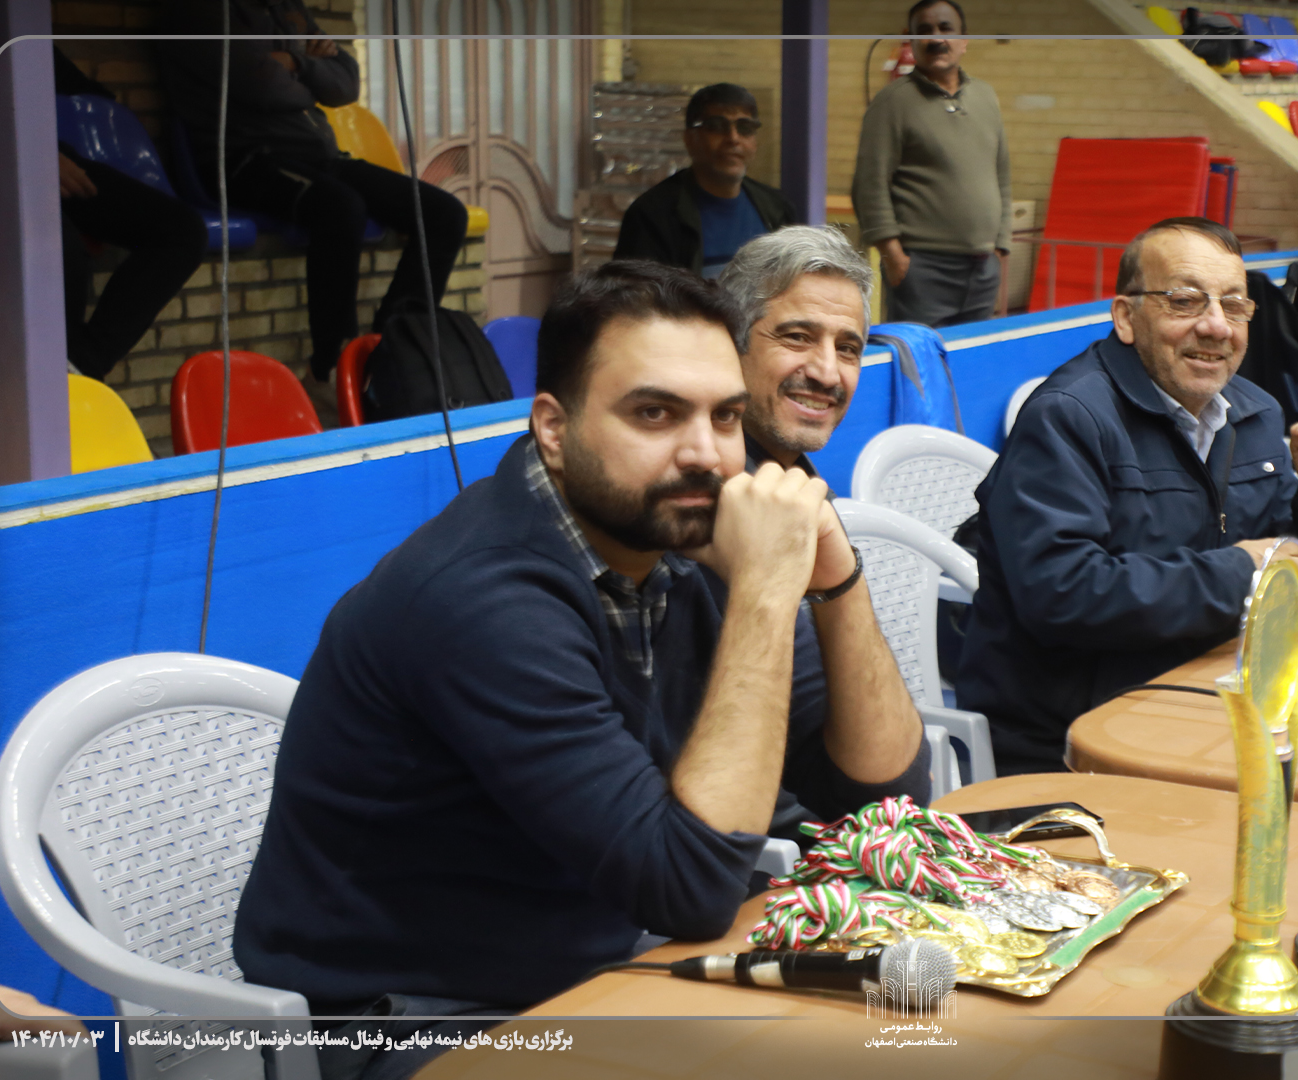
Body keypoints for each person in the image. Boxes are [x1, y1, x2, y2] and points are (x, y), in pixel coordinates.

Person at [232, 261, 927, 1080]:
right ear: (554, 430)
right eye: (655, 413)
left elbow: (884, 795)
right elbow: (691, 887)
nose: (706, 455)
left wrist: (835, 580)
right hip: (414, 1023)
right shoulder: (478, 598)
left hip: (593, 979)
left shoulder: (685, 539)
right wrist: (769, 592)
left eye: (725, 416)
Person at [954, 218, 1298, 776]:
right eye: (1184, 301)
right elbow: (1063, 593)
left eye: (1234, 305)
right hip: (1076, 739)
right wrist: (1242, 573)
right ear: (1126, 318)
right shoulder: (1068, 417)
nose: (1216, 326)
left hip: (1207, 704)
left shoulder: (1254, 411)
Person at [157, 0, 471, 385]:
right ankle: (331, 368)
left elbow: (346, 85)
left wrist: (294, 63)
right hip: (246, 158)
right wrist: (310, 72)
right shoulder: (200, 12)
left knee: (444, 214)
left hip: (318, 155)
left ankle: (394, 350)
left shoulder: (286, 8)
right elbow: (263, 87)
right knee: (341, 207)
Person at [53, 47, 208, 382]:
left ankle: (78, 367)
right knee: (62, 246)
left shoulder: (17, 45)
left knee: (183, 230)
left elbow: (87, 90)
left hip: (53, 156)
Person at [853, 0, 1013, 327]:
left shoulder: (985, 96)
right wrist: (893, 255)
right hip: (922, 270)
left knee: (973, 353)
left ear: (964, 39)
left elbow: (1002, 175)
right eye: (924, 30)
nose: (936, 38)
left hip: (983, 268)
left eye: (946, 28)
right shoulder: (892, 103)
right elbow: (870, 184)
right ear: (910, 39)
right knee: (922, 356)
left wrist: (1001, 246)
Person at [719, 226, 873, 472]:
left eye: (846, 348)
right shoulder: (691, 491)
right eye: (798, 337)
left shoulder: (801, 483)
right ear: (730, 342)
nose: (828, 375)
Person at [614, 84, 798, 279]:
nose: (733, 138)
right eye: (716, 126)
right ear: (690, 139)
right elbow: (636, 294)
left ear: (755, 141)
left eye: (745, 128)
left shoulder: (777, 209)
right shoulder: (652, 216)